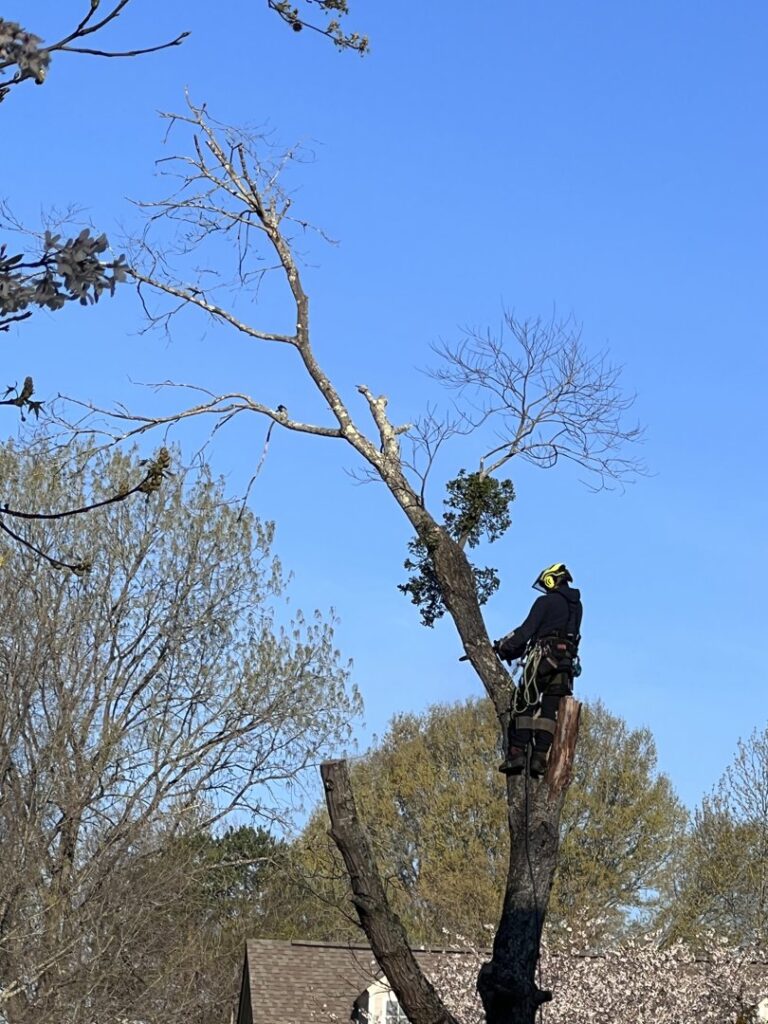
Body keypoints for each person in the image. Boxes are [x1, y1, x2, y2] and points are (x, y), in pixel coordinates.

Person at [495, 563, 583, 778]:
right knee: (549, 710)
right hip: (564, 665)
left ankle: (517, 752)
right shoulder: (577, 606)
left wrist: (503, 647)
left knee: (524, 701)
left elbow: (526, 632)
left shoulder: (545, 602)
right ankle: (540, 757)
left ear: (552, 579)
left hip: (542, 660)